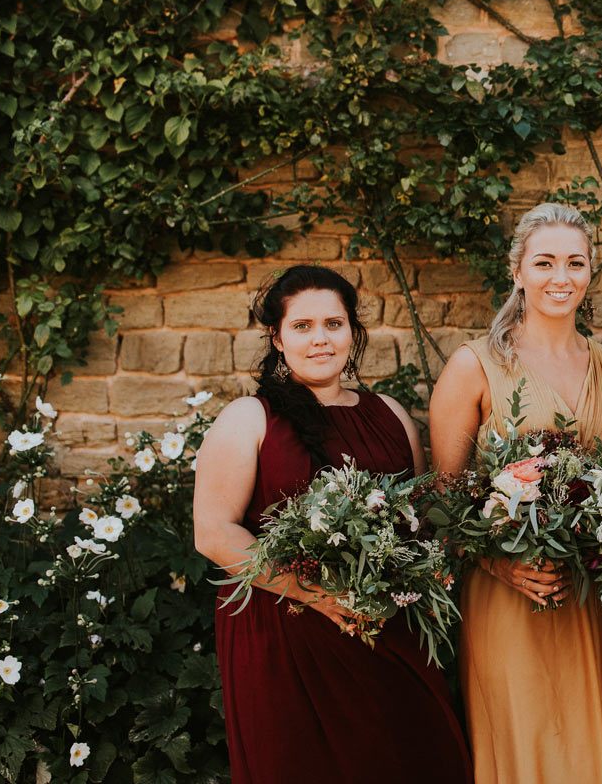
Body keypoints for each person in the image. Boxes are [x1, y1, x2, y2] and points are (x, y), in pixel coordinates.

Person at [194, 265, 470, 784]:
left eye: (333, 324)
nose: (320, 339)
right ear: (277, 338)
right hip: (287, 643)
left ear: (352, 332)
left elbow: (419, 522)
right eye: (302, 327)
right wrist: (320, 595)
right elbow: (214, 533)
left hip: (389, 635)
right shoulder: (249, 419)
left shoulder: (389, 414)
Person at [430, 203, 602, 784]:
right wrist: (498, 563)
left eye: (575, 263)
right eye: (544, 263)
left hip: (593, 596)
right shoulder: (474, 366)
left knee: (601, 741)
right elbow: (443, 499)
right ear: (517, 271)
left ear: (590, 273)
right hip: (508, 597)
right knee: (521, 743)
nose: (559, 278)